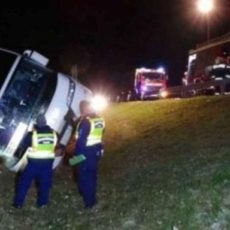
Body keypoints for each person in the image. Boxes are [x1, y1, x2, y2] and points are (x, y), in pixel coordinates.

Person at [13, 114, 57, 208]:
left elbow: (23, 145)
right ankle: (42, 204)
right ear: (45, 122)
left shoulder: (33, 134)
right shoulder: (54, 134)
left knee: (24, 183)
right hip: (48, 164)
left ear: (37, 123)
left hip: (34, 164)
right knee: (45, 184)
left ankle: (18, 204)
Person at [69, 100, 105, 209]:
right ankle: (92, 198)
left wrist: (76, 158)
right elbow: (101, 135)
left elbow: (81, 143)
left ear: (83, 109)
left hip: (85, 153)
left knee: (84, 178)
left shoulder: (85, 123)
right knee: (92, 176)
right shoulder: (100, 119)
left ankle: (89, 203)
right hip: (96, 152)